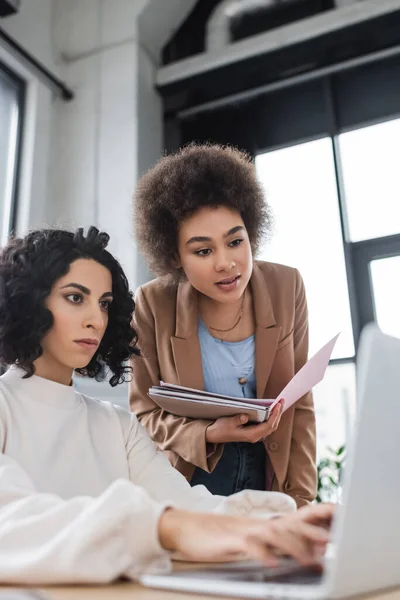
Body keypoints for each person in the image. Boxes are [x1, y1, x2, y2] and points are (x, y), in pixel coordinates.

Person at [0, 226, 332, 585]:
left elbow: (186, 507)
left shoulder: (117, 425)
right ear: (28, 301)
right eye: (76, 298)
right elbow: (11, 520)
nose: (96, 319)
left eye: (105, 304)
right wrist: (161, 525)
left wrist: (283, 520)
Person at [131, 143, 317, 507]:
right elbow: (144, 413)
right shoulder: (152, 304)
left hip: (270, 470)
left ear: (252, 233)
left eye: (235, 241)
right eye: (203, 251)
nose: (226, 263)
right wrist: (208, 432)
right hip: (192, 478)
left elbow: (301, 402)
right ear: (174, 256)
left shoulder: (287, 286)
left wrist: (300, 500)